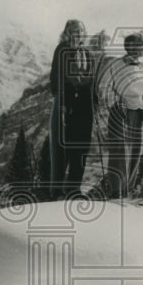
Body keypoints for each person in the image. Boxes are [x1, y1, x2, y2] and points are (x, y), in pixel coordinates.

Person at [97, 32, 143, 198]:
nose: (142, 48)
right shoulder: (116, 65)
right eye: (139, 45)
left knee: (136, 149)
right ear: (129, 47)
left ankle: (127, 190)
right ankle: (116, 190)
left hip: (138, 112)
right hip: (119, 111)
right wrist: (116, 102)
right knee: (119, 150)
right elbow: (104, 87)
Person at [48, 19, 96, 198]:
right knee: (62, 148)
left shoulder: (88, 54)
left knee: (81, 146)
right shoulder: (62, 50)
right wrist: (61, 102)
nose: (78, 33)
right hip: (65, 102)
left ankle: (73, 188)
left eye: (81, 30)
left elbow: (92, 81)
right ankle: (57, 191)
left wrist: (95, 102)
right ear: (67, 32)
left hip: (84, 106)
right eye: (74, 30)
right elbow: (56, 77)